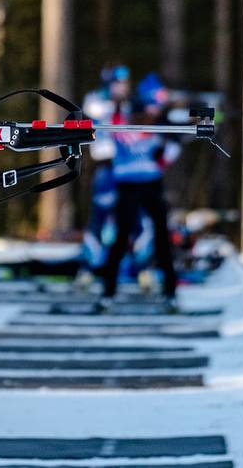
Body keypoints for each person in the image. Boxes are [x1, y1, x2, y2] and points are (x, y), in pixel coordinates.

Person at [98, 72, 181, 309]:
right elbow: (107, 129)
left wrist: (167, 146)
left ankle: (170, 291)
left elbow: (169, 151)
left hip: (151, 184)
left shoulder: (159, 125)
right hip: (128, 185)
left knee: (162, 238)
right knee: (121, 237)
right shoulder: (121, 122)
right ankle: (108, 292)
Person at [78, 65, 131, 281]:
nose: (123, 87)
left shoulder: (128, 104)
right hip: (105, 167)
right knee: (98, 219)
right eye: (119, 83)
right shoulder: (95, 100)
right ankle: (89, 268)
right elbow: (96, 113)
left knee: (130, 219)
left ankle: (130, 266)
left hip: (127, 169)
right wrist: (115, 102)